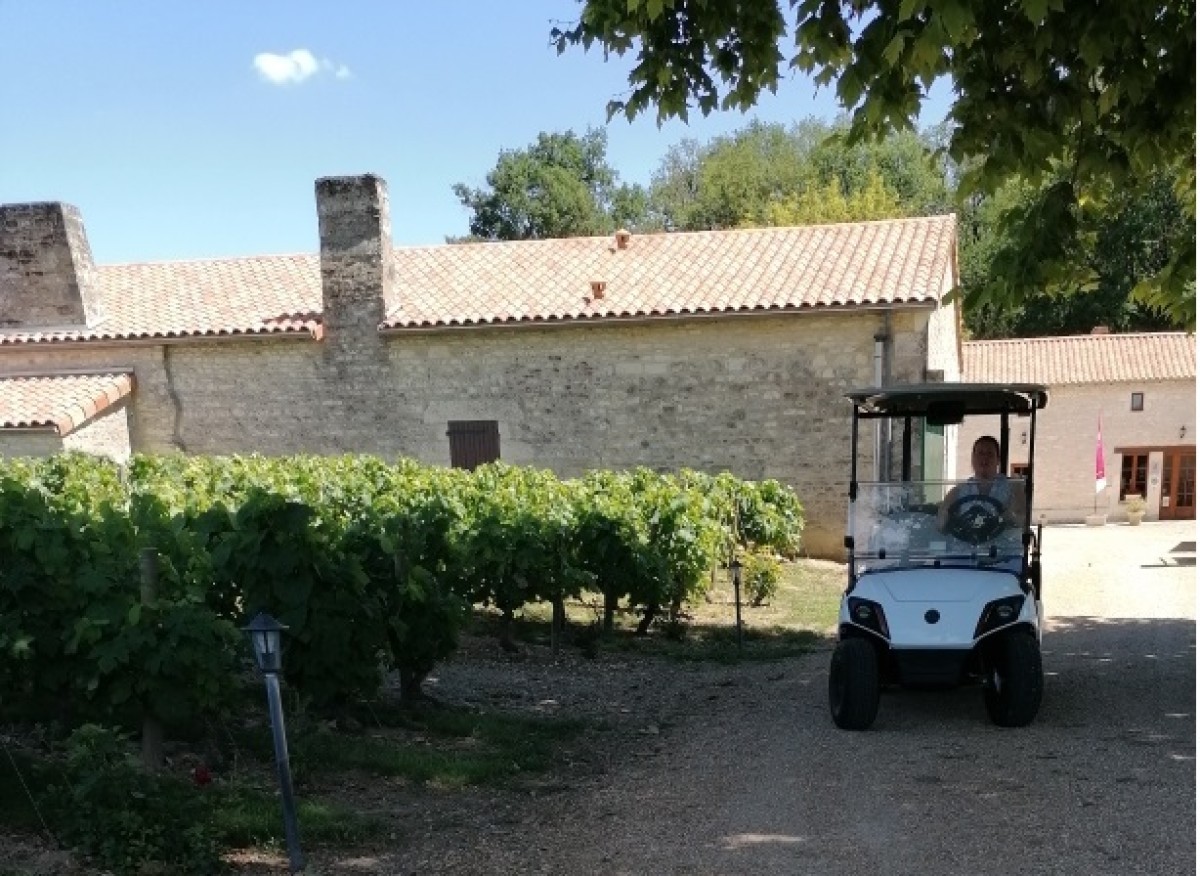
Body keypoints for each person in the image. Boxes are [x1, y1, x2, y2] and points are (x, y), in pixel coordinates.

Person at [938, 435, 1027, 535]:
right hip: (967, 545)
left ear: (998, 460)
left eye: (990, 453)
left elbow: (1022, 519)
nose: (984, 457)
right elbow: (942, 523)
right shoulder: (958, 490)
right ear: (972, 459)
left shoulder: (1013, 486)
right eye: (980, 453)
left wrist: (1007, 516)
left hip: (1003, 547)